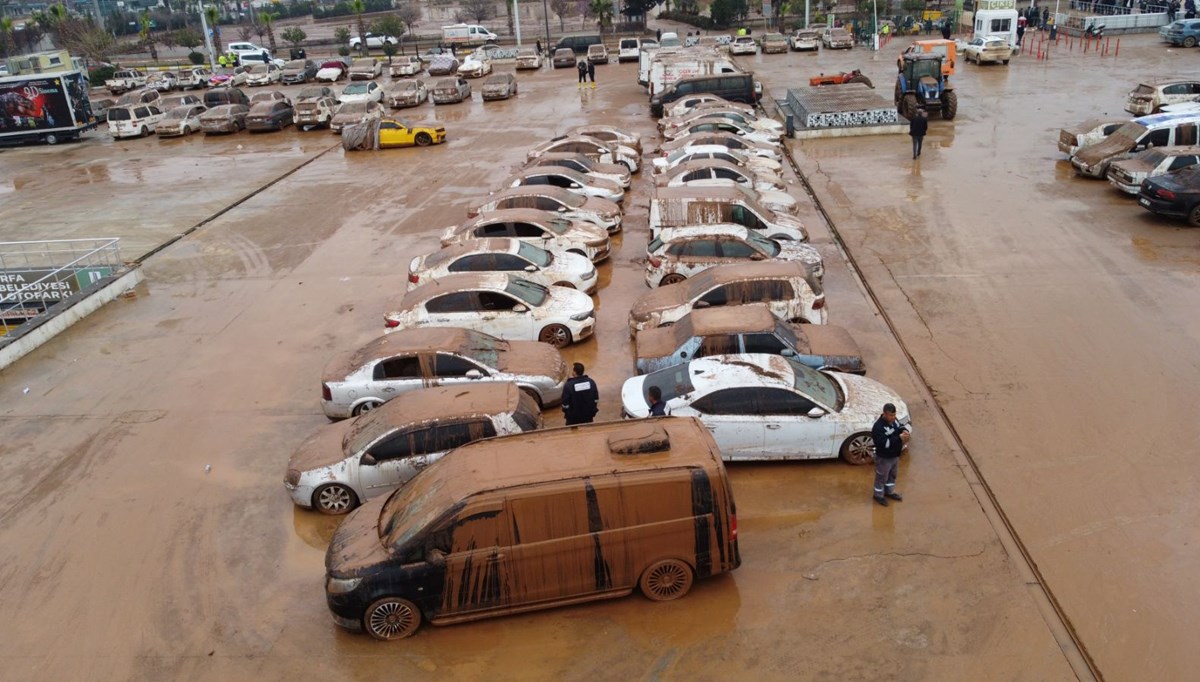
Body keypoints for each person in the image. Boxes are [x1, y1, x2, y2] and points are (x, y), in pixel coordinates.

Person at [871, 403, 910, 506]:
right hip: (884, 457)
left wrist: (904, 430)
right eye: (890, 415)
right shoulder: (878, 427)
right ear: (884, 414)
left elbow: (900, 426)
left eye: (894, 415)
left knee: (892, 475)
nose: (893, 417)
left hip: (895, 455)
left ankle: (890, 492)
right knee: (881, 477)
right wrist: (899, 438)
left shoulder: (894, 420)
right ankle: (878, 495)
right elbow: (884, 444)